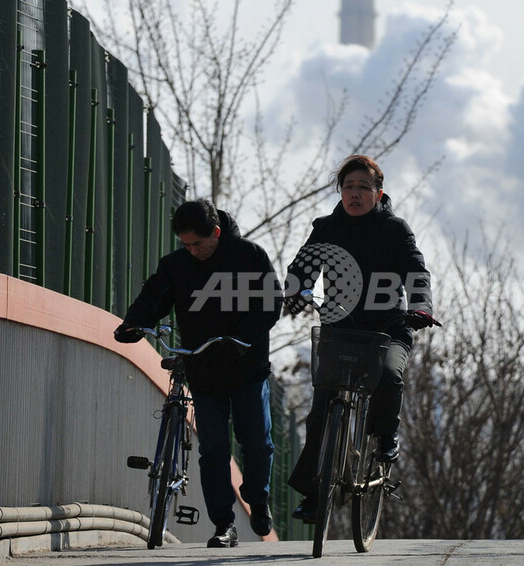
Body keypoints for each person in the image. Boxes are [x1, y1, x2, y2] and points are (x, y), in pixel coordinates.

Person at [113, 198, 282, 547]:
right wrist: (133, 324)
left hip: (247, 367)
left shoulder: (250, 256)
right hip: (205, 372)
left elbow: (270, 304)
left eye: (198, 244)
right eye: (185, 244)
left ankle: (258, 497)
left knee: (257, 442)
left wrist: (243, 339)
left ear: (216, 233)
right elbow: (153, 298)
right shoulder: (176, 265)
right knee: (214, 449)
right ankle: (224, 525)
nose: (192, 251)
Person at [284, 154, 439, 523]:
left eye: (363, 188)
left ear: (378, 192)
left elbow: (417, 271)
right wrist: (294, 292)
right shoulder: (325, 228)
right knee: (321, 412)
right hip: (340, 332)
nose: (354, 194)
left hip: (388, 331)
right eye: (348, 187)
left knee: (388, 376)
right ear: (340, 193)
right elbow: (303, 268)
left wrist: (421, 308)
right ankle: (314, 493)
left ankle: (386, 436)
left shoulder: (395, 229)